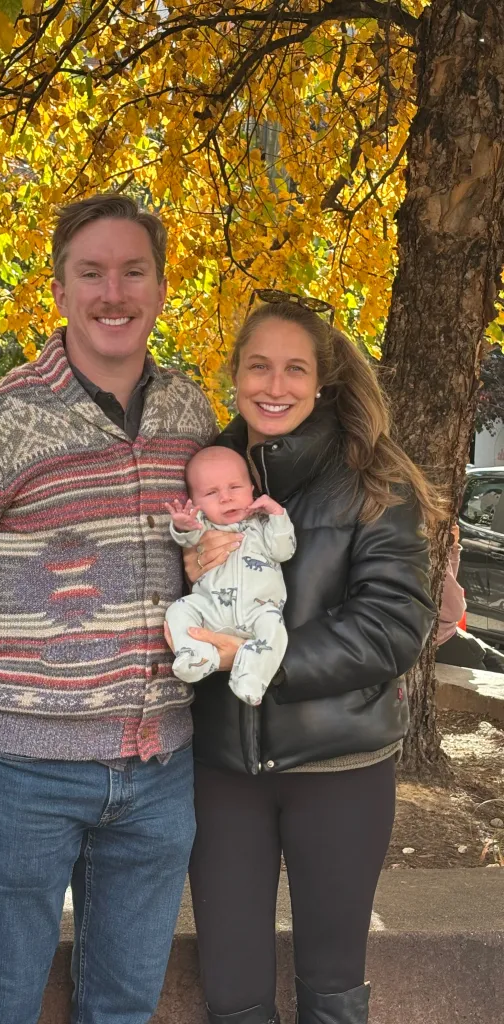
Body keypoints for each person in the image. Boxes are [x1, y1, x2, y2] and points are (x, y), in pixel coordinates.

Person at [0, 194, 217, 1024]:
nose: (114, 292)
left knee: (124, 1008)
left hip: (159, 770)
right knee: (1, 1004)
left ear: (161, 287)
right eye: (92, 272)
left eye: (133, 271)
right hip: (21, 775)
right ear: (60, 291)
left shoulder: (190, 412)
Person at [176, 295, 441, 1024]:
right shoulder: (201, 475)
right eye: (258, 366)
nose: (274, 384)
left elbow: (392, 626)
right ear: (233, 376)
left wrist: (258, 659)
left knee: (331, 986)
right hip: (222, 771)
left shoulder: (373, 481)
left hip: (341, 772)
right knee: (232, 992)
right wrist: (188, 571)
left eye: (295, 369)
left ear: (322, 382)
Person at [165, 446, 295, 705]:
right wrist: (182, 526)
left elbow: (284, 551)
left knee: (274, 628)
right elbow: (188, 540)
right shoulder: (203, 527)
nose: (225, 498)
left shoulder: (263, 525)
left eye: (235, 487)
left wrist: (279, 516)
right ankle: (197, 655)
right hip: (212, 609)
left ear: (252, 489)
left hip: (259, 611)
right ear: (196, 501)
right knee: (179, 609)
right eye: (211, 493)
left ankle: (250, 677)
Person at [435, 523, 504, 672]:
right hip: (441, 639)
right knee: (489, 674)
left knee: (497, 661)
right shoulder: (427, 548)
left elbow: (450, 578)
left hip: (447, 632)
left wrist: (453, 549)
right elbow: (455, 611)